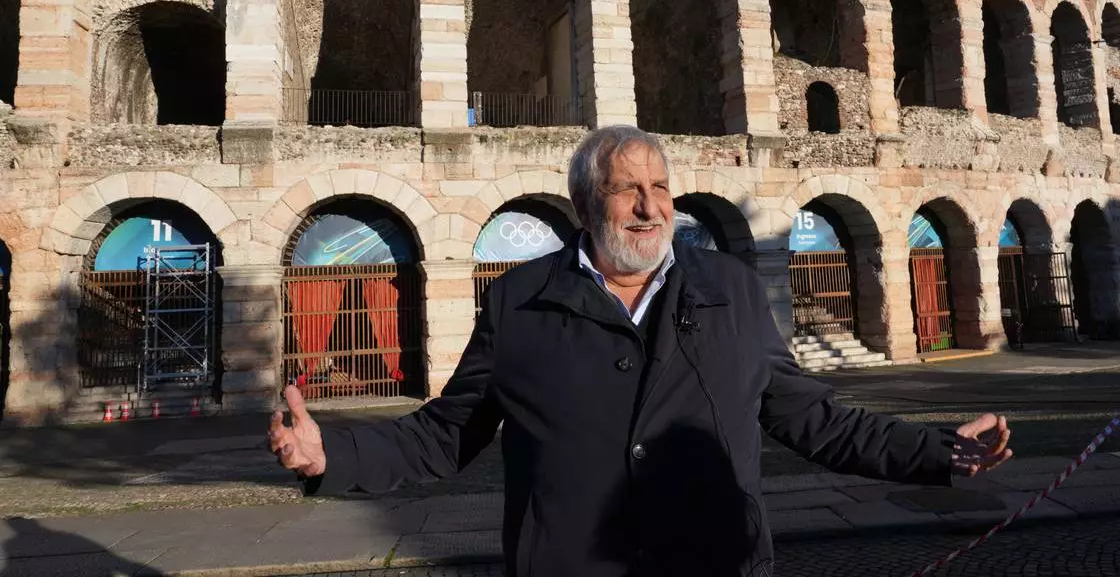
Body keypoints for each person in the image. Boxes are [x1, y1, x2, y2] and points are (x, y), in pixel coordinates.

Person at [269, 125, 1012, 577]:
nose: (653, 207)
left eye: (661, 187)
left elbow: (812, 418)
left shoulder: (730, 288)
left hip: (715, 565)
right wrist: (331, 454)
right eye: (629, 189)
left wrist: (939, 451)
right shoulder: (520, 300)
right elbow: (444, 433)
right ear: (589, 202)